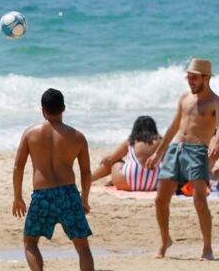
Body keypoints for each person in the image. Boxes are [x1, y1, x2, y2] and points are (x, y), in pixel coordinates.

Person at [12, 88, 99, 271]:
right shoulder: (77, 137)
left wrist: (17, 197)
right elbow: (86, 172)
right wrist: (84, 199)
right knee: (82, 245)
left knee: (30, 242)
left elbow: (18, 166)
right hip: (69, 193)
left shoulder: (31, 134)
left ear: (43, 110)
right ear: (64, 109)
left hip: (42, 195)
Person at [146, 59, 219, 260]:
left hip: (197, 151)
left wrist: (214, 141)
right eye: (188, 77)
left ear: (206, 78)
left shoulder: (215, 102)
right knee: (160, 200)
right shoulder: (185, 98)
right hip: (175, 149)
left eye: (194, 78)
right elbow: (173, 127)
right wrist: (158, 152)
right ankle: (165, 241)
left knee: (199, 201)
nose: (190, 81)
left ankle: (207, 248)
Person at [91, 116, 162, 191]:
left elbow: (111, 159)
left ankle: (90, 179)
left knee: (117, 162)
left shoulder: (131, 141)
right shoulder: (161, 142)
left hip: (127, 184)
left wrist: (106, 158)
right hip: (153, 184)